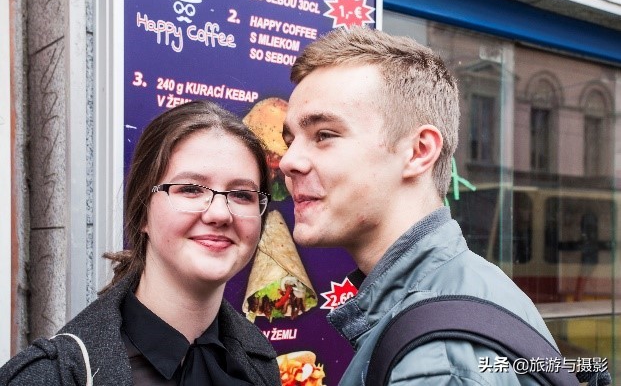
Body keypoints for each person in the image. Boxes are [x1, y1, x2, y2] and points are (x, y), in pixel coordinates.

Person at [279, 26, 559, 385]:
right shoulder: (461, 292)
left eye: (324, 135)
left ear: (418, 152)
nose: (288, 161)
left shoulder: (441, 357)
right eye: (290, 140)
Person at [0, 101, 280, 385]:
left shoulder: (260, 365)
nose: (220, 214)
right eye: (191, 189)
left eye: (242, 195)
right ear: (142, 211)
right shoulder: (48, 377)